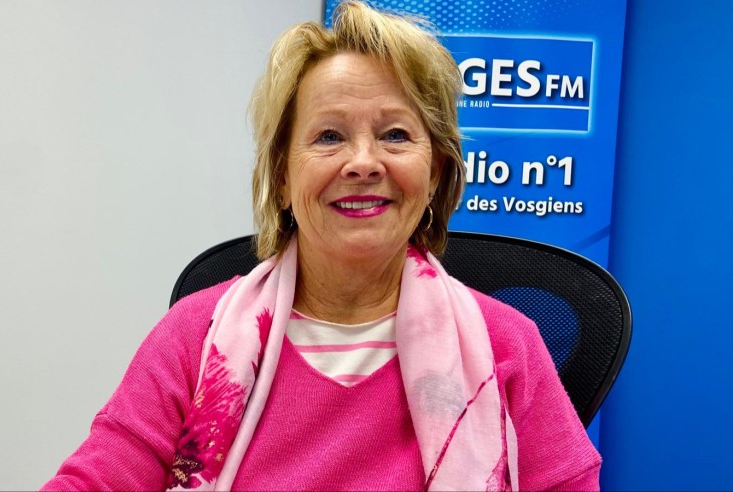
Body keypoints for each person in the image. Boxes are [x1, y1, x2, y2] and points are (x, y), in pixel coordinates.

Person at [41, 2, 600, 490]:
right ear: (282, 178)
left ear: (435, 173)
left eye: (395, 135)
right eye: (329, 136)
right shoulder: (194, 338)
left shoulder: (509, 346)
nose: (363, 162)